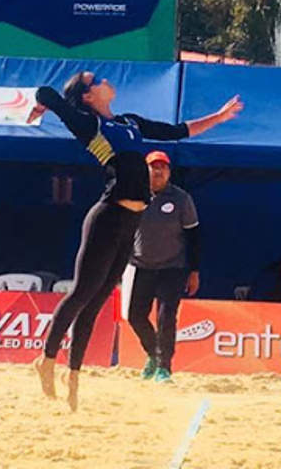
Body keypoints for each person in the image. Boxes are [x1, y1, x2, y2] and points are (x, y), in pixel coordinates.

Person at [28, 71, 242, 410]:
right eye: (94, 79)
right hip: (108, 216)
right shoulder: (90, 125)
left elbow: (179, 131)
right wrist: (43, 105)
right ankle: (47, 359)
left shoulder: (130, 122)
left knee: (97, 301)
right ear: (87, 97)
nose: (104, 80)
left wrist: (218, 117)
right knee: (82, 293)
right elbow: (47, 91)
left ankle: (73, 375)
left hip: (131, 221)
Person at [126, 150, 200, 383]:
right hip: (141, 265)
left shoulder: (180, 198)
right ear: (145, 170)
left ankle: (164, 368)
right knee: (135, 316)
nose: (158, 171)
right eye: (153, 167)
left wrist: (194, 270)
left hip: (172, 267)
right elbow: (122, 232)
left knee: (166, 317)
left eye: (163, 167)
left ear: (169, 172)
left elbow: (194, 236)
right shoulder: (134, 195)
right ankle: (153, 354)